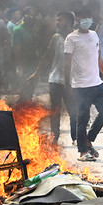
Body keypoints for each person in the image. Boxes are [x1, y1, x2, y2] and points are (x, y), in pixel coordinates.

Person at [64, 6, 103, 161]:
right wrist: (67, 85)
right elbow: (67, 63)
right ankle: (83, 152)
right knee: (82, 119)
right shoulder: (71, 38)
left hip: (97, 83)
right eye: (83, 17)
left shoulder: (94, 35)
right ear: (77, 19)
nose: (87, 20)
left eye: (88, 17)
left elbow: (98, 59)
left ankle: (89, 139)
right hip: (81, 86)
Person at [27, 10, 76, 143]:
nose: (57, 22)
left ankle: (76, 137)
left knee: (73, 110)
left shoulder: (77, 37)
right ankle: (55, 138)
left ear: (70, 22)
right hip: (55, 80)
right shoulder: (56, 38)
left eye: (60, 20)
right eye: (57, 20)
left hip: (72, 81)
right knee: (55, 110)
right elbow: (47, 57)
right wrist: (36, 74)